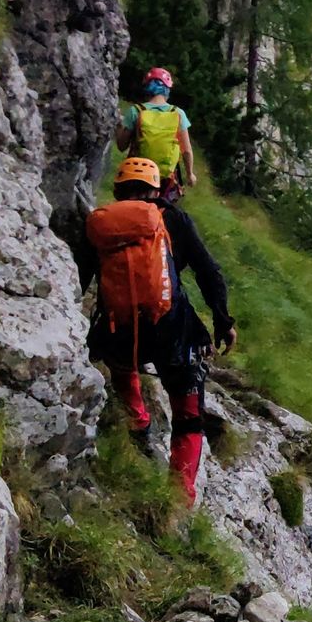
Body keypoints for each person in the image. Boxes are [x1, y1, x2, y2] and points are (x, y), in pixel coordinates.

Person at [85, 155, 236, 502]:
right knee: (187, 416)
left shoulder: (101, 227)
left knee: (123, 364)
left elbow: (83, 274)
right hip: (173, 334)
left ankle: (138, 421)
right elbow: (208, 271)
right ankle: (178, 498)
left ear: (119, 189)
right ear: (157, 190)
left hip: (119, 333)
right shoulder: (175, 220)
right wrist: (223, 322)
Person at [114, 66, 195, 193]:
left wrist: (118, 127)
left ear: (147, 89)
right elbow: (187, 151)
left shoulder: (136, 111)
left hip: (138, 175)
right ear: (167, 90)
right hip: (165, 178)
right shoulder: (178, 113)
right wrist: (190, 174)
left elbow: (121, 146)